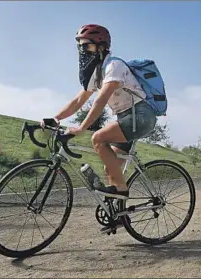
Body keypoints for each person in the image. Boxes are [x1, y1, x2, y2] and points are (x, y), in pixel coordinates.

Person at [42, 24, 157, 200]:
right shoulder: (99, 73)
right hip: (126, 118)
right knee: (110, 168)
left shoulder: (114, 66)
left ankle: (121, 190)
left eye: (86, 45)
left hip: (140, 116)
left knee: (98, 138)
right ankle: (117, 214)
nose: (82, 50)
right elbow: (78, 101)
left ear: (101, 47)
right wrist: (56, 118)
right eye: (80, 46)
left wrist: (81, 128)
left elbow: (101, 100)